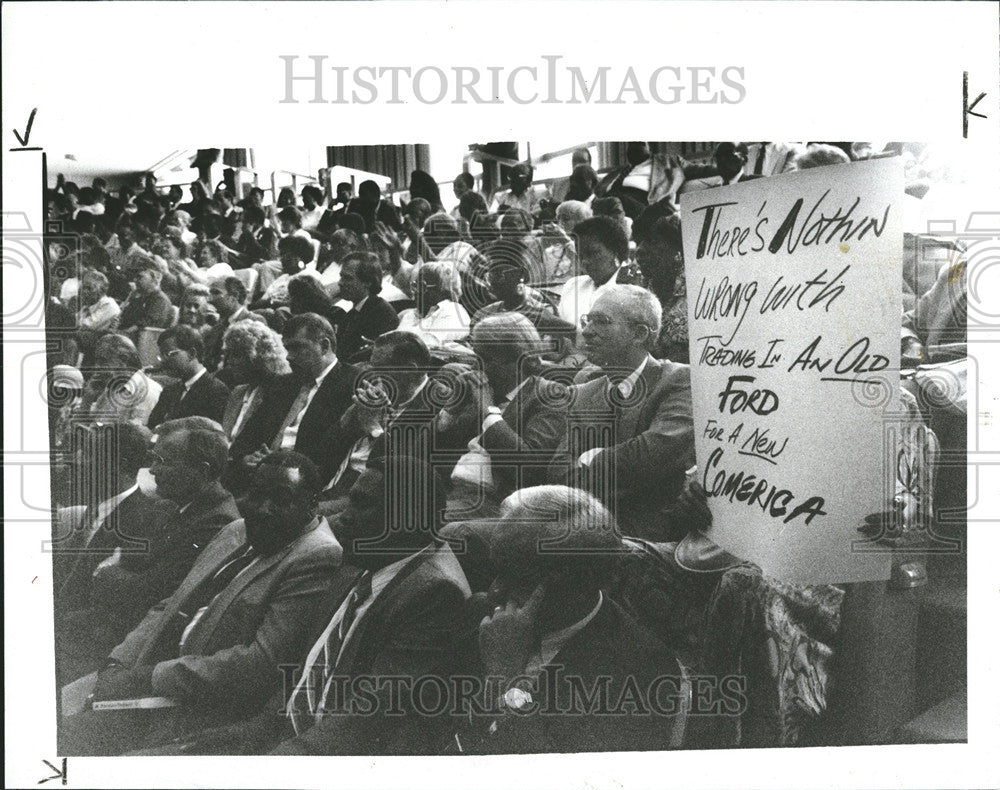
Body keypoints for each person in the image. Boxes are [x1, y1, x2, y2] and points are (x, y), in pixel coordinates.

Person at [59, 451, 352, 756]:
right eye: (257, 495)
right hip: (141, 678)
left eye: (281, 498)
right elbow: (172, 604)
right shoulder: (238, 529)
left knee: (64, 744)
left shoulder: (318, 555)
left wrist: (148, 677)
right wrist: (119, 661)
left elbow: (258, 664)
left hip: (187, 713)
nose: (264, 509)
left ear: (312, 503)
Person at [455, 485, 688, 753]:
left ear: (576, 584)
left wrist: (507, 677)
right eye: (496, 572)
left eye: (517, 580)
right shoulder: (481, 614)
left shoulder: (641, 672)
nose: (494, 591)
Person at [271, 454, 472, 755]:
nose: (344, 518)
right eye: (350, 501)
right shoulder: (365, 561)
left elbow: (364, 719)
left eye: (363, 504)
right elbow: (297, 683)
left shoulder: (437, 594)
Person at [82, 418, 242, 655]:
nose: (153, 470)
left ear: (203, 469)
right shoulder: (174, 506)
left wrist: (106, 573)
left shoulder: (217, 523)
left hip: (135, 644)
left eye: (162, 461)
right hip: (113, 625)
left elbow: (149, 593)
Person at [556, 284, 695, 539]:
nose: (586, 331)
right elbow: (561, 472)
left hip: (648, 534)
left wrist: (590, 460)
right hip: (587, 524)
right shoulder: (584, 391)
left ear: (639, 334)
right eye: (587, 321)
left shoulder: (678, 380)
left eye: (601, 322)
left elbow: (652, 454)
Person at [52, 423, 161, 685]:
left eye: (89, 454)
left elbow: (113, 613)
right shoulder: (96, 507)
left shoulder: (144, 523)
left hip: (80, 652)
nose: (77, 462)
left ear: (119, 465)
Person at [446, 313, 555, 519]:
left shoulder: (548, 395)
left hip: (500, 503)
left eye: (486, 359)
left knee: (423, 521)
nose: (476, 367)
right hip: (451, 490)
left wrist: (488, 411)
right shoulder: (477, 392)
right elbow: (428, 451)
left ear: (522, 360)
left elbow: (527, 468)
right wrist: (451, 409)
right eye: (475, 358)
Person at [147, 326, 231, 429]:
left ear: (192, 353)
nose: (163, 361)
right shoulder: (169, 390)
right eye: (161, 356)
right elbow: (152, 426)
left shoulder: (217, 391)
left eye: (169, 354)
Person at [557, 216, 629, 329]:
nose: (584, 261)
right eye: (580, 255)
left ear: (615, 252)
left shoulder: (630, 289)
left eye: (593, 253)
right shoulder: (573, 285)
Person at [636, 215, 689, 363]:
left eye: (652, 242)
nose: (640, 250)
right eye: (638, 242)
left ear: (678, 250)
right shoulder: (639, 289)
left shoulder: (700, 289)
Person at [78, 334, 162, 425]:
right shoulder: (111, 385)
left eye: (103, 361)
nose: (97, 367)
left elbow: (135, 434)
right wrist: (87, 399)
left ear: (123, 359)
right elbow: (91, 424)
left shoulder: (148, 390)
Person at [333, 252, 400, 361]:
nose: (340, 283)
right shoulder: (351, 313)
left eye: (348, 278)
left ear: (367, 282)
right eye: (341, 277)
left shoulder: (381, 314)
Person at [396, 261, 472, 349]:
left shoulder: (453, 312)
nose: (415, 291)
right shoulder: (411, 314)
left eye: (421, 286)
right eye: (414, 285)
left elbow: (429, 344)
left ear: (443, 290)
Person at [203, 276, 260, 375]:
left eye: (216, 293)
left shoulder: (254, 321)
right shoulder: (217, 326)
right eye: (210, 294)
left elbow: (254, 362)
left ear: (235, 297)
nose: (210, 300)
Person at [117, 258, 174, 336]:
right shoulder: (141, 296)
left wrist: (122, 333)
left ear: (154, 280)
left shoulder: (160, 300)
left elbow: (146, 324)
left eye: (140, 277)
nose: (135, 280)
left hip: (143, 339)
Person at [541, 200, 592, 283]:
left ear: (582, 221)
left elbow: (586, 272)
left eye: (566, 219)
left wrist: (565, 240)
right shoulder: (556, 247)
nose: (560, 223)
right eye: (558, 219)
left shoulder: (592, 243)